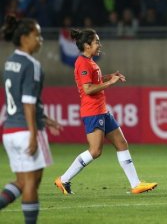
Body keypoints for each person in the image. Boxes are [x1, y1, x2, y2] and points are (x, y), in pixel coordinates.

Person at [54, 28, 157, 195]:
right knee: (95, 151)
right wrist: (111, 83)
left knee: (121, 143)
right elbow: (88, 89)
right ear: (87, 45)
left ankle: (136, 184)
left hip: (102, 110)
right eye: (96, 42)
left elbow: (95, 81)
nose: (99, 45)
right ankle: (64, 179)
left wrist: (109, 77)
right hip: (92, 111)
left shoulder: (90, 61)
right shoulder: (82, 63)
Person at [0, 15, 62, 224]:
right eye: (37, 35)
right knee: (31, 183)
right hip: (26, 130)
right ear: (25, 37)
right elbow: (27, 102)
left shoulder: (10, 63)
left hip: (9, 131)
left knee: (21, 181)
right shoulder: (32, 65)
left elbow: (18, 100)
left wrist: (46, 118)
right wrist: (34, 134)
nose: (41, 40)